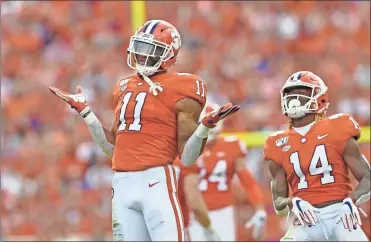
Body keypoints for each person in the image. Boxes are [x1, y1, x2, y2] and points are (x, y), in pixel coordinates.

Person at [49, 19, 239, 241]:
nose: (141, 54)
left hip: (156, 181)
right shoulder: (123, 85)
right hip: (122, 183)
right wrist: (87, 114)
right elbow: (114, 149)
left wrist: (204, 127)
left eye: (151, 49)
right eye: (139, 47)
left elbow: (187, 158)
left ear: (170, 54)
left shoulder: (185, 86)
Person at [265, 71, 370, 241]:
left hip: (340, 214)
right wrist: (292, 202)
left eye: (302, 93)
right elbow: (279, 204)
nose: (294, 98)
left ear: (320, 99)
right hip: (306, 219)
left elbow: (367, 177)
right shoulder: (276, 142)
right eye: (290, 94)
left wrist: (352, 200)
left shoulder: (338, 126)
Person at [182, 104, 267, 241]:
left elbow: (248, 181)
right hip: (194, 213)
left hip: (223, 211)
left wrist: (259, 208)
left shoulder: (231, 145)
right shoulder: (187, 149)